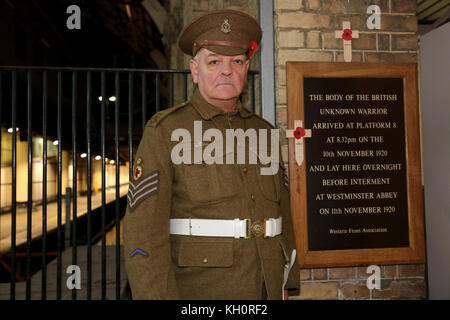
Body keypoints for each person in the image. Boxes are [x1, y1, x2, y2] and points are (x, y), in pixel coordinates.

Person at [123, 9, 299, 300]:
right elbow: (143, 235)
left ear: (246, 67)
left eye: (237, 61)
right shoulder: (165, 131)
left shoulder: (264, 132)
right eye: (214, 61)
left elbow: (282, 217)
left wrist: (286, 283)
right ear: (194, 70)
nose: (227, 70)